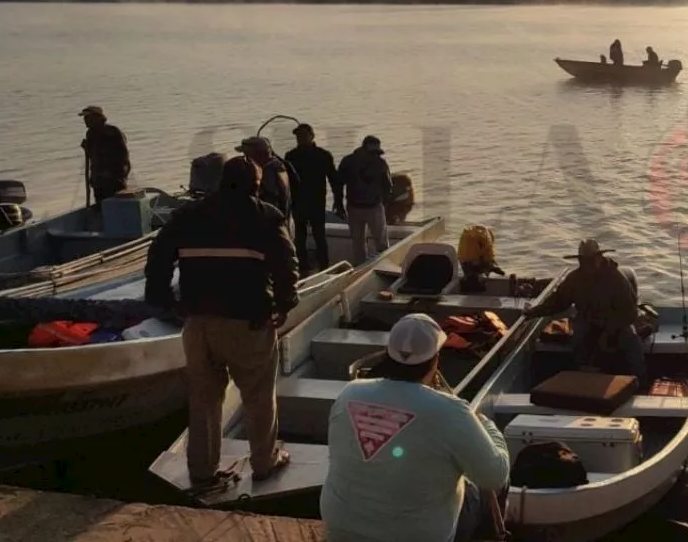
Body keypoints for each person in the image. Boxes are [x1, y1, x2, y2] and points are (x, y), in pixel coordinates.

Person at [144, 156, 299, 491]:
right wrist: (286, 303)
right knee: (257, 395)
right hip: (248, 322)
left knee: (203, 399)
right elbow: (286, 264)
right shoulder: (265, 217)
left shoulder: (187, 215)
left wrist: (164, 300)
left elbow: (158, 256)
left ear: (219, 182)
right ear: (256, 186)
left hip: (198, 322)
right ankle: (264, 462)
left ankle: (202, 471)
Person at [321, 313, 510, 542]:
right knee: (484, 480)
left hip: (341, 529)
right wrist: (488, 426)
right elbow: (495, 476)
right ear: (435, 359)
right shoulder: (452, 411)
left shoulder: (350, 392)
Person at [522, 239, 645, 386]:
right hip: (587, 320)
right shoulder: (575, 279)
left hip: (617, 322)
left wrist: (609, 330)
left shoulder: (617, 279)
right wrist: (533, 312)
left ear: (599, 258)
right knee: (577, 337)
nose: (588, 264)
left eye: (592, 260)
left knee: (632, 341)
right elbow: (557, 302)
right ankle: (581, 378)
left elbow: (629, 313)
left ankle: (638, 381)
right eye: (584, 261)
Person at [284, 123, 341, 276]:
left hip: (317, 202)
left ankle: (325, 267)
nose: (300, 138)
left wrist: (339, 201)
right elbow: (286, 183)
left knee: (319, 236)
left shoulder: (323, 155)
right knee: (300, 238)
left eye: (303, 135)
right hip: (298, 203)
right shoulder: (291, 156)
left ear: (312, 135)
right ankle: (303, 268)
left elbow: (333, 180)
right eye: (297, 136)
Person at [335, 135, 392, 266]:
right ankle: (361, 267)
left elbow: (388, 186)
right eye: (372, 153)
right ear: (362, 149)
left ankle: (384, 264)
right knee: (358, 241)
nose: (374, 156)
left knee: (380, 241)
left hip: (373, 207)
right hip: (355, 207)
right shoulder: (348, 162)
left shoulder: (380, 163)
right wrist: (339, 204)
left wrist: (384, 205)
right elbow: (339, 184)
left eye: (377, 153)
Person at [237, 136, 298, 224]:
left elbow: (269, 198)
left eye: (247, 154)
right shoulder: (279, 165)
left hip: (271, 224)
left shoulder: (268, 171)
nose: (245, 158)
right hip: (283, 220)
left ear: (258, 154)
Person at [78, 105, 131, 204]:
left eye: (87, 117)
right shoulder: (90, 134)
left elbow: (123, 156)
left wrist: (119, 175)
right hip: (98, 181)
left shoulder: (112, 131)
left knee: (116, 205)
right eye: (84, 118)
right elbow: (93, 156)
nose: (85, 120)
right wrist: (87, 148)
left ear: (97, 117)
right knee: (101, 206)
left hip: (113, 179)